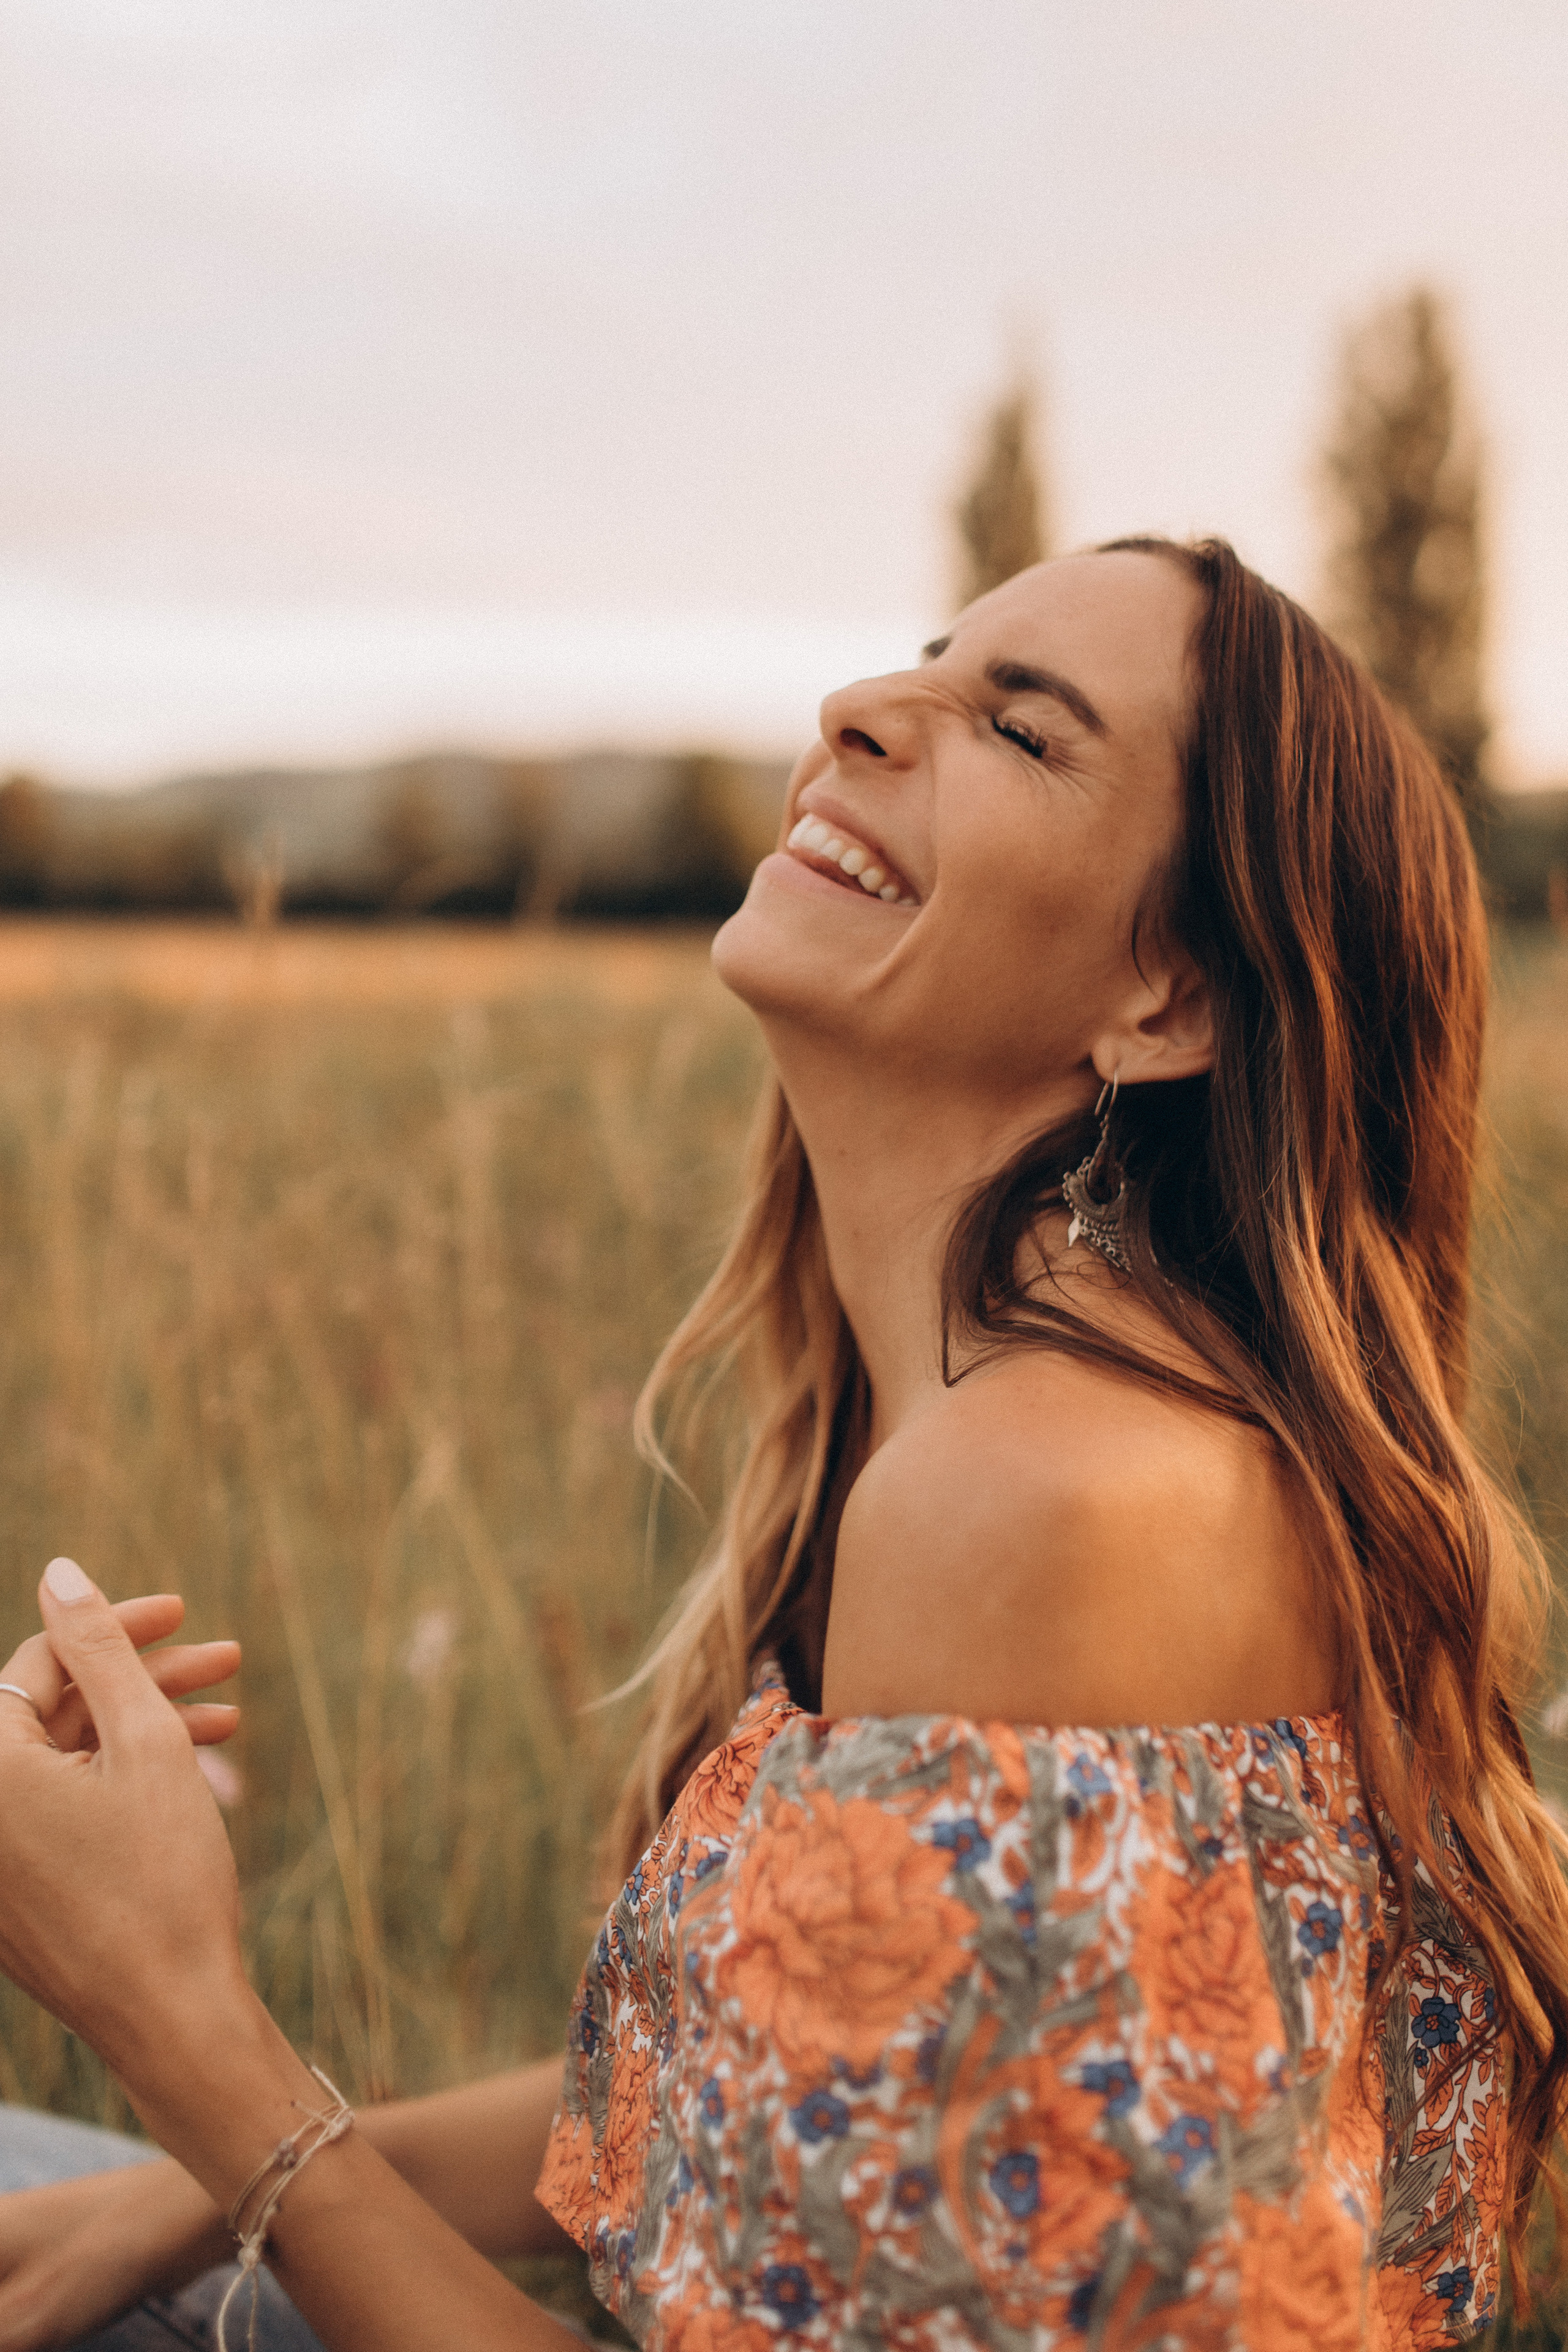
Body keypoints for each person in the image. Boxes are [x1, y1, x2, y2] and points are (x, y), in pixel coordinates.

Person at [0, 539, 1562, 2351]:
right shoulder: (983, 1420)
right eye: (926, 662)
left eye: (1022, 731)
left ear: (1172, 1002)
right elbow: (742, 2089)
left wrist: (175, 2023)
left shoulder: (1053, 1503)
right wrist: (175, 2199)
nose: (860, 712)